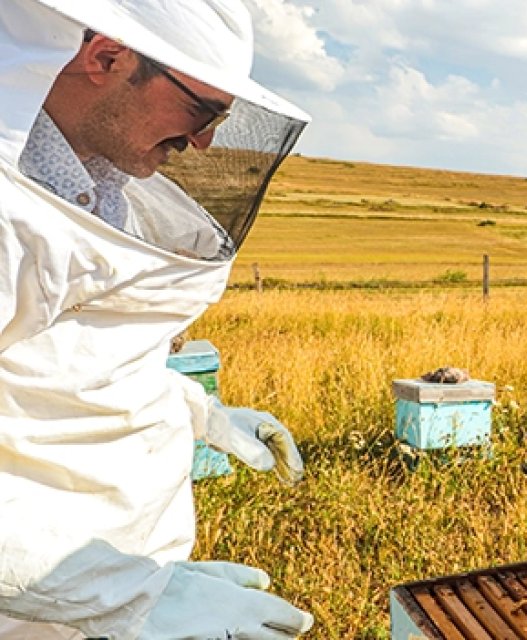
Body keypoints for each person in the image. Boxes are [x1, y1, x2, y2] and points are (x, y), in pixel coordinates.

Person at [0, 1, 314, 637]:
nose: (205, 141)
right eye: (202, 111)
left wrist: (193, 409)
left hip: (111, 575)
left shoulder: (98, 179)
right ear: (106, 57)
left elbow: (65, 356)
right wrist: (115, 596)